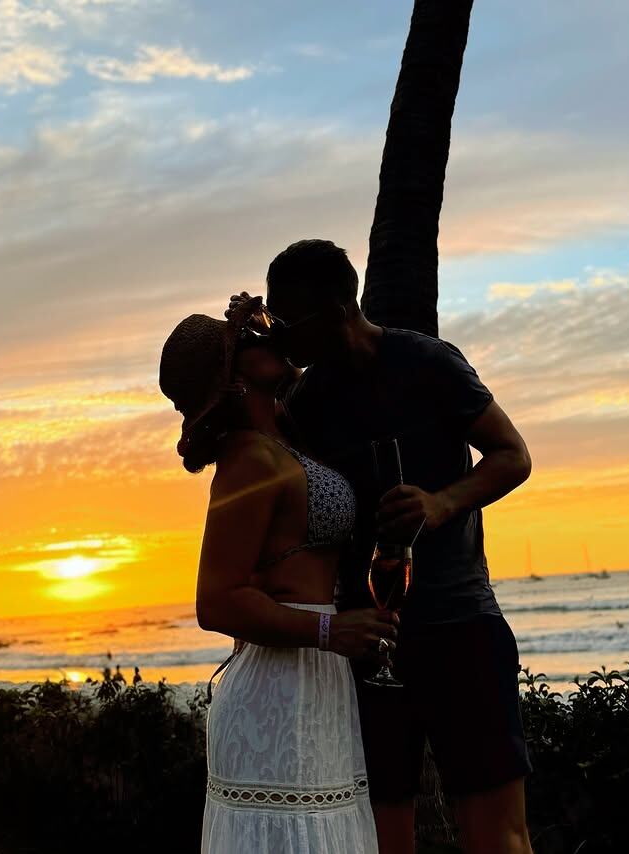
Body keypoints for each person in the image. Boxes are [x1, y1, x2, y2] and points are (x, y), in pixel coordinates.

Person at [242, 239, 535, 854]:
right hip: (369, 642)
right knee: (377, 839)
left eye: (290, 322)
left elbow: (513, 455)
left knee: (500, 836)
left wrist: (441, 503)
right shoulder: (309, 403)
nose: (286, 339)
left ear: (341, 307)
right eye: (276, 322)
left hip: (460, 623)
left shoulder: (428, 364)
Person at [160, 304, 394, 853]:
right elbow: (216, 603)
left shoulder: (284, 443)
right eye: (250, 339)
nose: (270, 339)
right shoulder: (248, 461)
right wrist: (329, 633)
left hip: (316, 684)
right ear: (234, 376)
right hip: (278, 690)